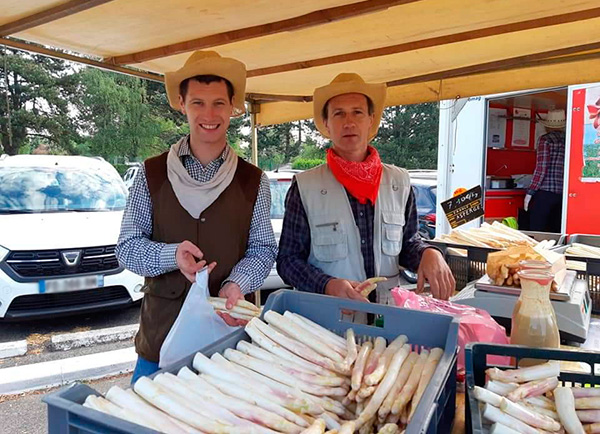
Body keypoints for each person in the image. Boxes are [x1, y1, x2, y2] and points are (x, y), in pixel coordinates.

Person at [116, 51, 277, 384]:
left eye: (219, 103)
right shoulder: (152, 173)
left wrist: (237, 284)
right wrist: (171, 255)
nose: (209, 114)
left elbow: (263, 250)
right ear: (181, 104)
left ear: (233, 107)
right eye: (198, 103)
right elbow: (127, 248)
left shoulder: (253, 181)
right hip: (160, 339)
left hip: (229, 341)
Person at [276, 73, 455, 306]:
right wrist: (327, 284)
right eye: (339, 113)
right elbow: (288, 261)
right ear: (327, 124)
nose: (349, 122)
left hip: (387, 319)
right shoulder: (305, 187)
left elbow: (408, 243)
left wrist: (429, 253)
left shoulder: (399, 182)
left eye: (357, 112)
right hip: (327, 320)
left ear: (371, 119)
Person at [524, 109, 566, 233]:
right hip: (563, 193)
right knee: (556, 229)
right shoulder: (568, 139)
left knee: (537, 229)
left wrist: (530, 191)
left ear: (547, 126)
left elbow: (541, 168)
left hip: (545, 192)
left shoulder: (545, 140)